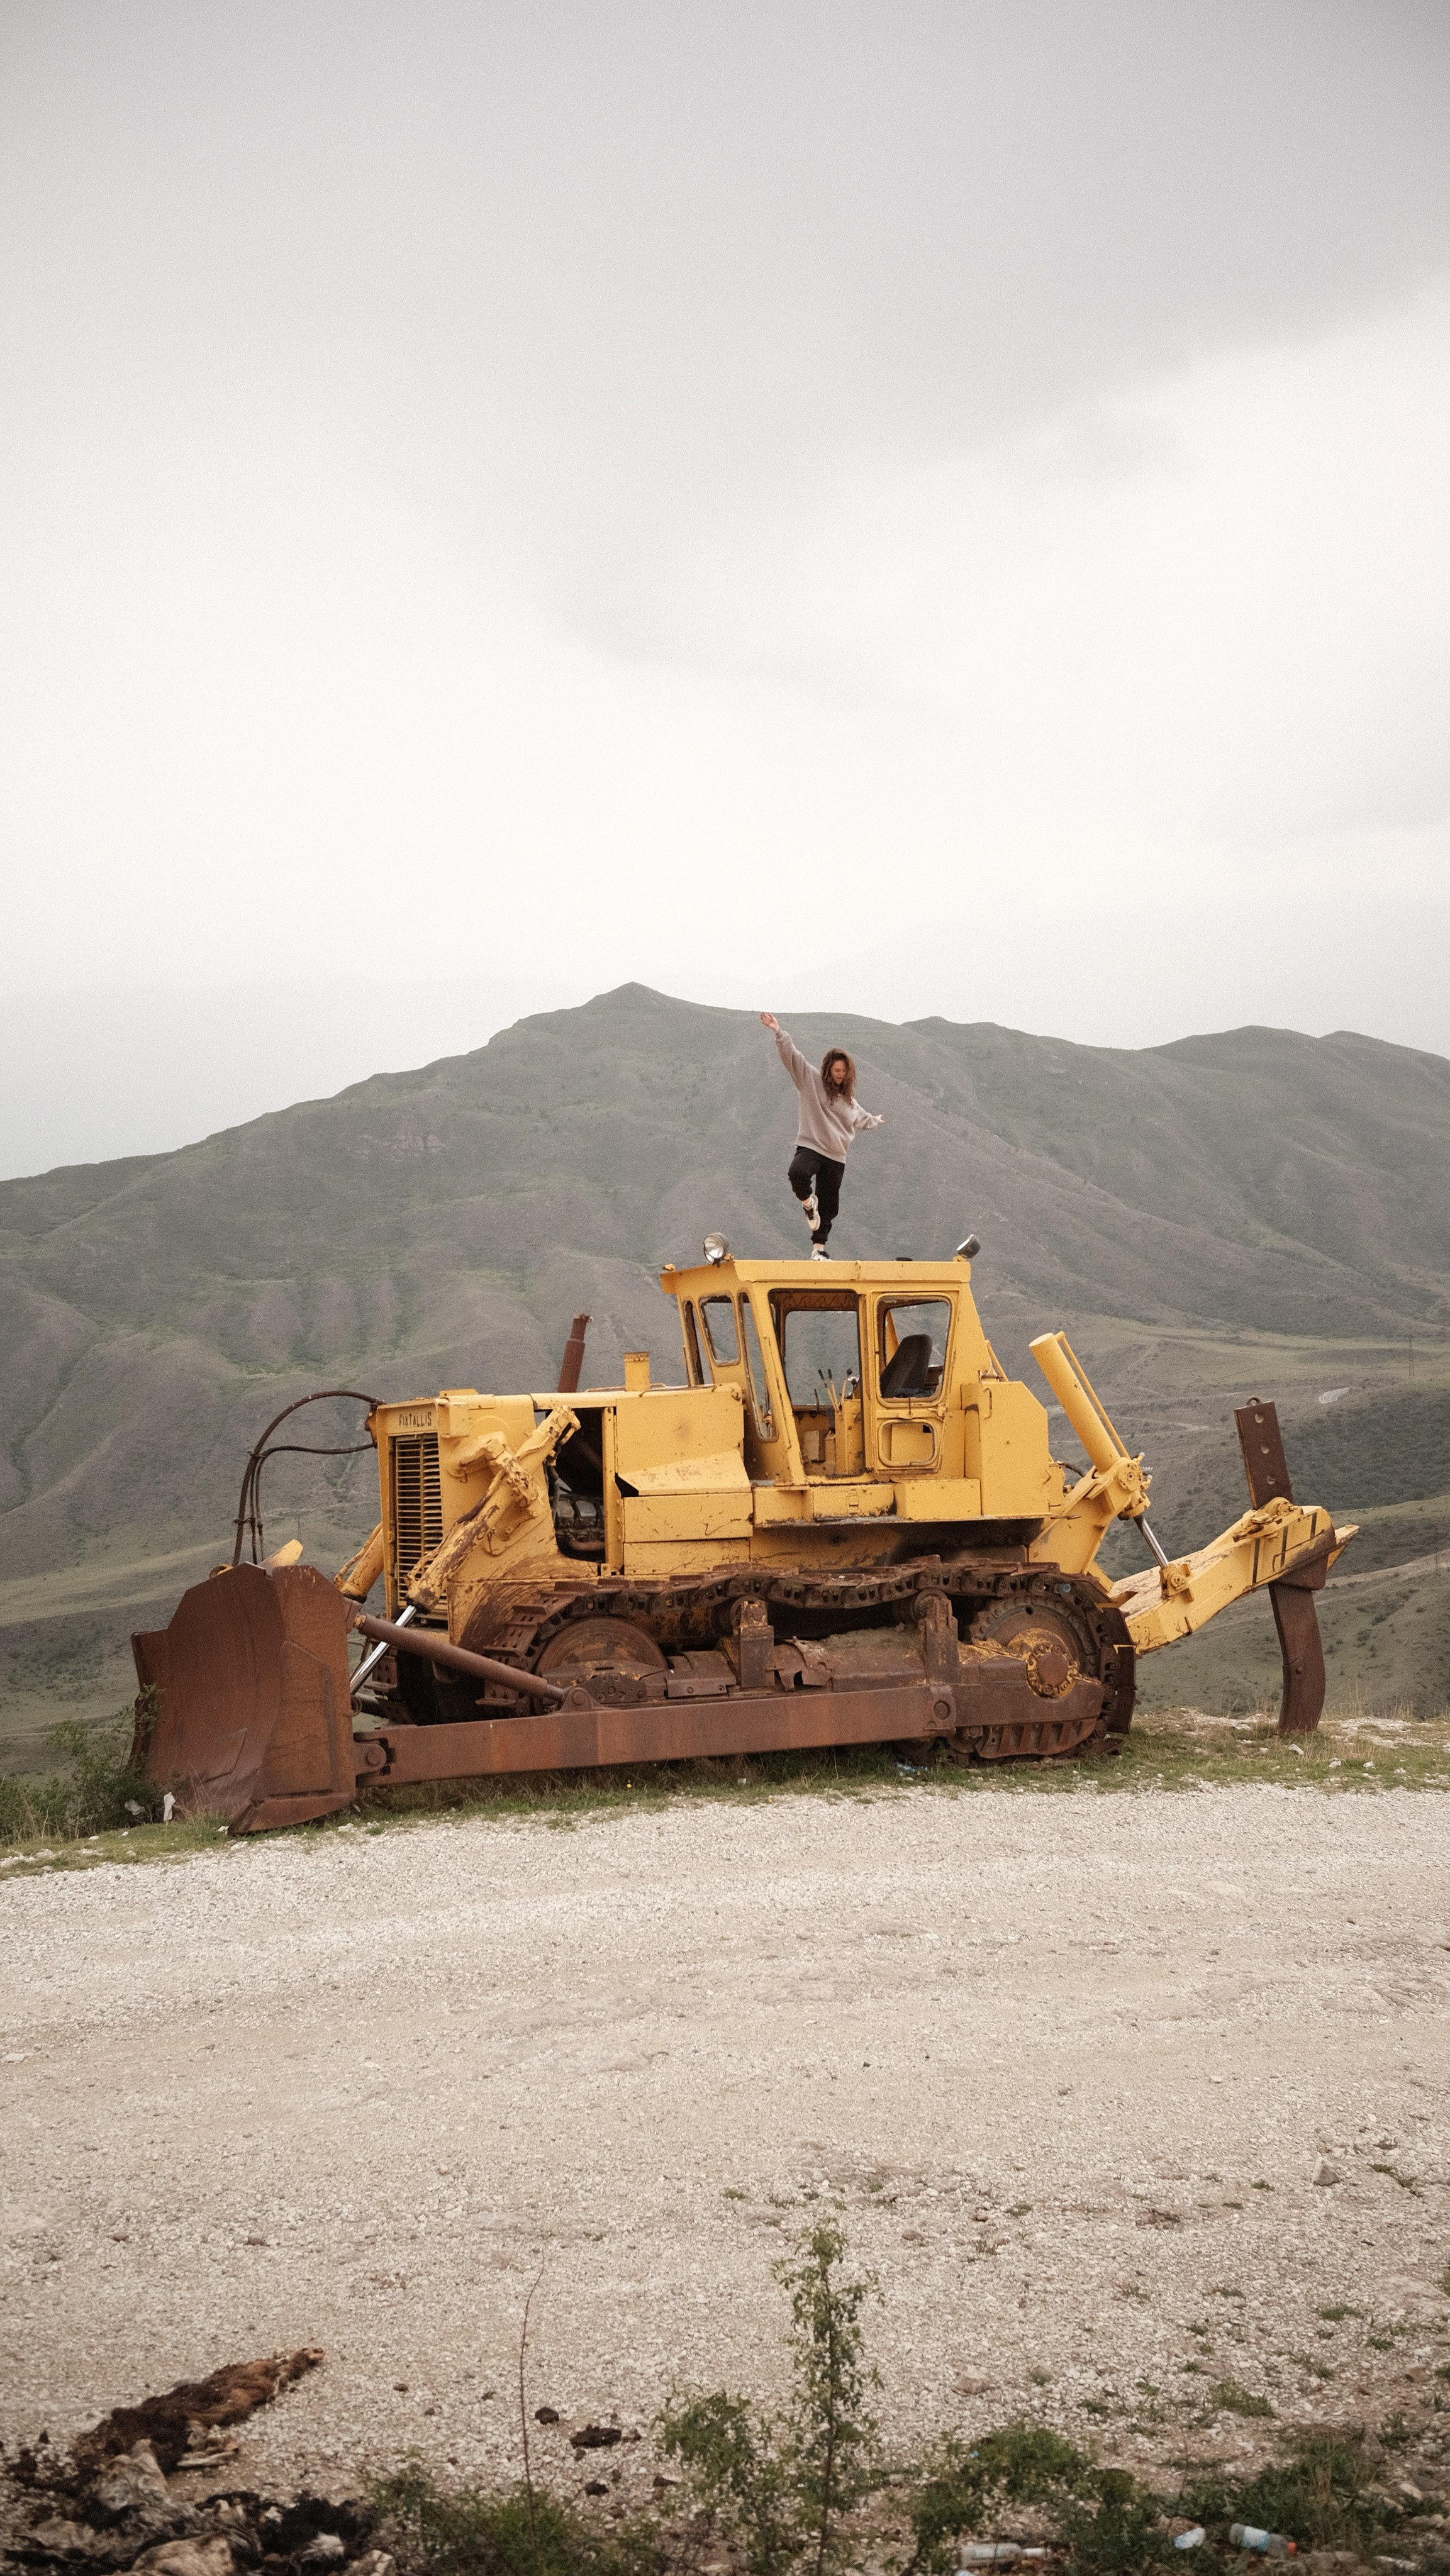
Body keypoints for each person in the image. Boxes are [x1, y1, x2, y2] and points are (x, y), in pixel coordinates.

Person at [759, 1013, 883, 1258]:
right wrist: (778, 1032)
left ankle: (819, 1250)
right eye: (837, 1070)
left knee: (829, 1206)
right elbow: (793, 1058)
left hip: (836, 1156)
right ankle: (808, 1204)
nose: (840, 1074)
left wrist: (876, 1121)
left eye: (844, 1071)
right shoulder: (811, 1080)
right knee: (797, 1173)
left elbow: (863, 1119)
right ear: (828, 1069)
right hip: (812, 1145)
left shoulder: (850, 1102)